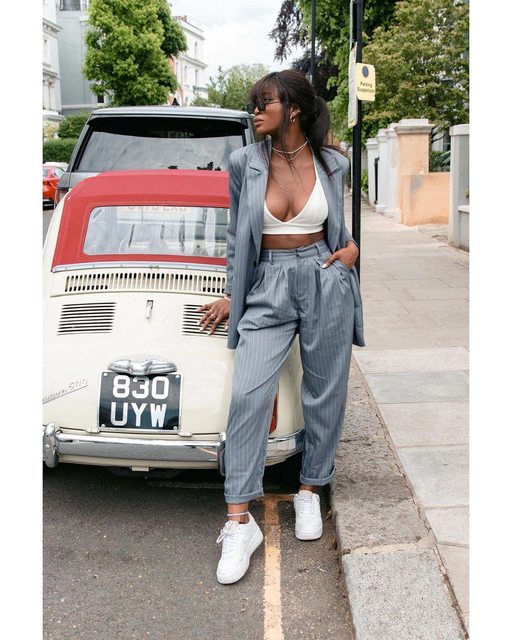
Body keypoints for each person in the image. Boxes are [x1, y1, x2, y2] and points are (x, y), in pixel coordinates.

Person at [199, 70, 365, 585]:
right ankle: (239, 521)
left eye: (263, 102)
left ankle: (310, 489)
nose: (254, 111)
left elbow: (341, 227)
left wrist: (351, 253)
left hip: (323, 276)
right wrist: (233, 294)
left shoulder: (333, 162)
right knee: (249, 394)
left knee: (325, 391)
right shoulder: (244, 163)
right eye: (254, 104)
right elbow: (237, 237)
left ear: (292, 108)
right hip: (267, 285)